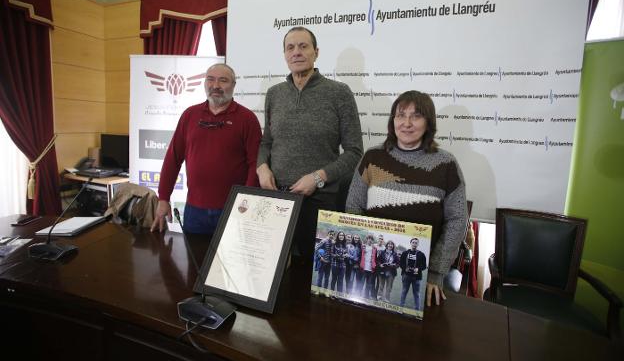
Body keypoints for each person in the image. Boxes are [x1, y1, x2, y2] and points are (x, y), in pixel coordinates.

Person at [345, 90, 467, 306]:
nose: (407, 123)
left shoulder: (446, 164)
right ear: (393, 121)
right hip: (374, 267)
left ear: (428, 123)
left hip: (422, 274)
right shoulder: (372, 158)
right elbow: (353, 208)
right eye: (401, 115)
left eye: (416, 116)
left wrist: (435, 272)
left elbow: (457, 220)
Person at [256, 27, 363, 261]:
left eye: (303, 46)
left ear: (316, 52)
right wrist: (261, 166)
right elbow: (267, 142)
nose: (296, 52)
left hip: (320, 200)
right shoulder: (274, 94)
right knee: (275, 270)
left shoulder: (339, 93)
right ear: (284, 55)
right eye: (290, 48)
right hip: (277, 198)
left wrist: (317, 178)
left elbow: (354, 152)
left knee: (310, 275)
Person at [151, 63, 262, 235]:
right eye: (211, 79)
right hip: (194, 211)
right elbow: (173, 159)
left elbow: (254, 165)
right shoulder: (190, 115)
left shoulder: (247, 119)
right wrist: (164, 197)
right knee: (194, 261)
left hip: (233, 210)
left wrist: (246, 202)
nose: (216, 86)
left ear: (233, 85)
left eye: (223, 80)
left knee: (229, 262)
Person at [399, 238, 427, 309]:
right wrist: (405, 268)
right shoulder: (405, 253)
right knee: (404, 291)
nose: (414, 244)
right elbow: (401, 263)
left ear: (418, 244)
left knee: (416, 294)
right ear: (410, 243)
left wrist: (418, 269)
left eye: (416, 243)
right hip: (406, 276)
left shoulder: (421, 254)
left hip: (417, 277)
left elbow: (424, 266)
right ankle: (401, 307)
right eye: (413, 242)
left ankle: (417, 309)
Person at [359, 234, 377, 299]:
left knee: (368, 284)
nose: (370, 240)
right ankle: (359, 294)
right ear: (367, 239)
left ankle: (366, 296)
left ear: (372, 240)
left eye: (371, 239)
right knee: (362, 283)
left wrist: (374, 265)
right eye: (369, 238)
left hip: (371, 269)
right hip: (364, 268)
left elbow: (375, 258)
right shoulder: (363, 246)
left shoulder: (374, 248)